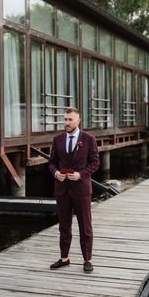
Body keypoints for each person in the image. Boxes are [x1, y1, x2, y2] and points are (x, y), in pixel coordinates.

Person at [48, 107, 100, 273]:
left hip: (81, 189)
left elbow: (95, 163)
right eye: (65, 119)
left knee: (85, 226)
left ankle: (87, 260)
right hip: (62, 189)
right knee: (64, 225)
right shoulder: (57, 139)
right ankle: (64, 258)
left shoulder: (89, 139)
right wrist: (56, 173)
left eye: (70, 120)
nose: (67, 123)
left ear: (78, 120)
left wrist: (81, 175)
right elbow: (51, 163)